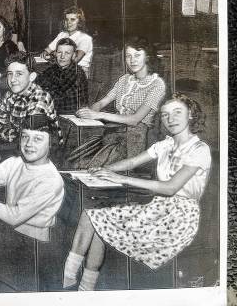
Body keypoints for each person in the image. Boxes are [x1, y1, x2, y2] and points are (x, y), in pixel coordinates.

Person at [63, 93, 211, 291]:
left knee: (98, 219)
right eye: (165, 115)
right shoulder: (165, 144)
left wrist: (121, 178)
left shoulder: (199, 149)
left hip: (179, 219)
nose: (171, 119)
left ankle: (76, 285)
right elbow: (132, 161)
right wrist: (105, 169)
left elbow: (170, 187)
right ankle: (73, 280)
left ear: (191, 114)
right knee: (94, 214)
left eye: (177, 112)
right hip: (158, 207)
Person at [67, 36, 166, 169]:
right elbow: (102, 103)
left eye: (137, 55)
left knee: (87, 167)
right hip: (112, 132)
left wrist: (100, 115)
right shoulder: (125, 80)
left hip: (134, 139)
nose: (132, 60)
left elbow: (135, 120)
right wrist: (90, 111)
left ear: (147, 57)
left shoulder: (157, 84)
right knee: (72, 159)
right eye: (128, 56)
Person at [36, 38, 88, 114]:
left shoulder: (77, 73)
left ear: (73, 55)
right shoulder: (53, 69)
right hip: (52, 110)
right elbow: (37, 83)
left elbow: (58, 97)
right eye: (59, 52)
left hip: (70, 114)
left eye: (67, 53)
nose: (62, 56)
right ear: (55, 53)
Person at [42, 6, 93, 77]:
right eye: (66, 19)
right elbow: (47, 50)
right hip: (62, 69)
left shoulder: (85, 38)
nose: (69, 23)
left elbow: (75, 60)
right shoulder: (62, 35)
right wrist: (47, 52)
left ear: (79, 22)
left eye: (72, 19)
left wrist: (55, 54)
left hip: (78, 73)